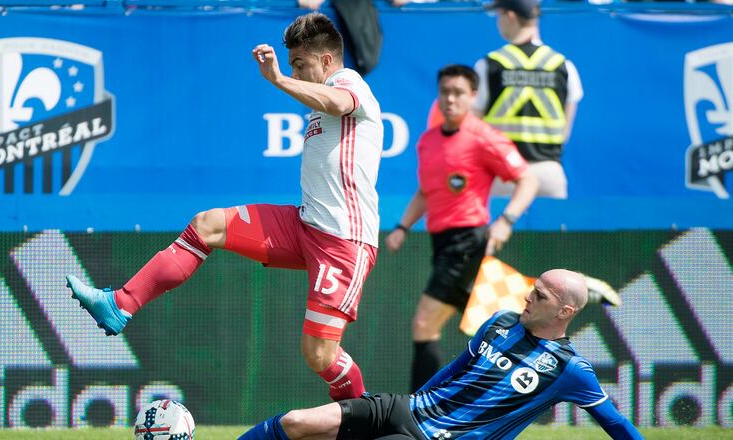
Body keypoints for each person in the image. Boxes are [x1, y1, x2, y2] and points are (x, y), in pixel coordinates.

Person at [66, 12, 383, 402]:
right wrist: (288, 77)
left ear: (328, 61)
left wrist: (280, 80)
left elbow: (339, 102)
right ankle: (120, 304)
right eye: (291, 66)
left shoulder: (349, 83)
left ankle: (363, 421)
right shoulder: (321, 97)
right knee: (207, 224)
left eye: (301, 65)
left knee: (319, 355)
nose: (295, 73)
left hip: (342, 243)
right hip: (305, 226)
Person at [239, 269, 644, 440]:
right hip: (407, 408)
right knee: (295, 423)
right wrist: (413, 402)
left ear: (565, 312)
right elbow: (455, 368)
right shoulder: (503, 322)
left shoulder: (571, 370)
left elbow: (615, 422)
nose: (527, 296)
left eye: (539, 295)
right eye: (531, 287)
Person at [385, 64, 539, 392]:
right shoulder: (427, 142)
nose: (450, 99)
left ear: (472, 97)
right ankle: (551, 297)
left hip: (467, 241)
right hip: (441, 244)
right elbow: (426, 192)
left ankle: (418, 410)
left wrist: (506, 220)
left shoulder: (484, 138)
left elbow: (528, 178)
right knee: (495, 323)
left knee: (424, 324)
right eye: (445, 92)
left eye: (458, 93)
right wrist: (402, 226)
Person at [427, 0, 583, 199]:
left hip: (503, 176)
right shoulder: (564, 67)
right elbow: (564, 132)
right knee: (551, 231)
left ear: (510, 16)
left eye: (499, 15)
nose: (498, 22)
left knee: (498, 230)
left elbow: (470, 124)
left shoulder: (489, 65)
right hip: (549, 174)